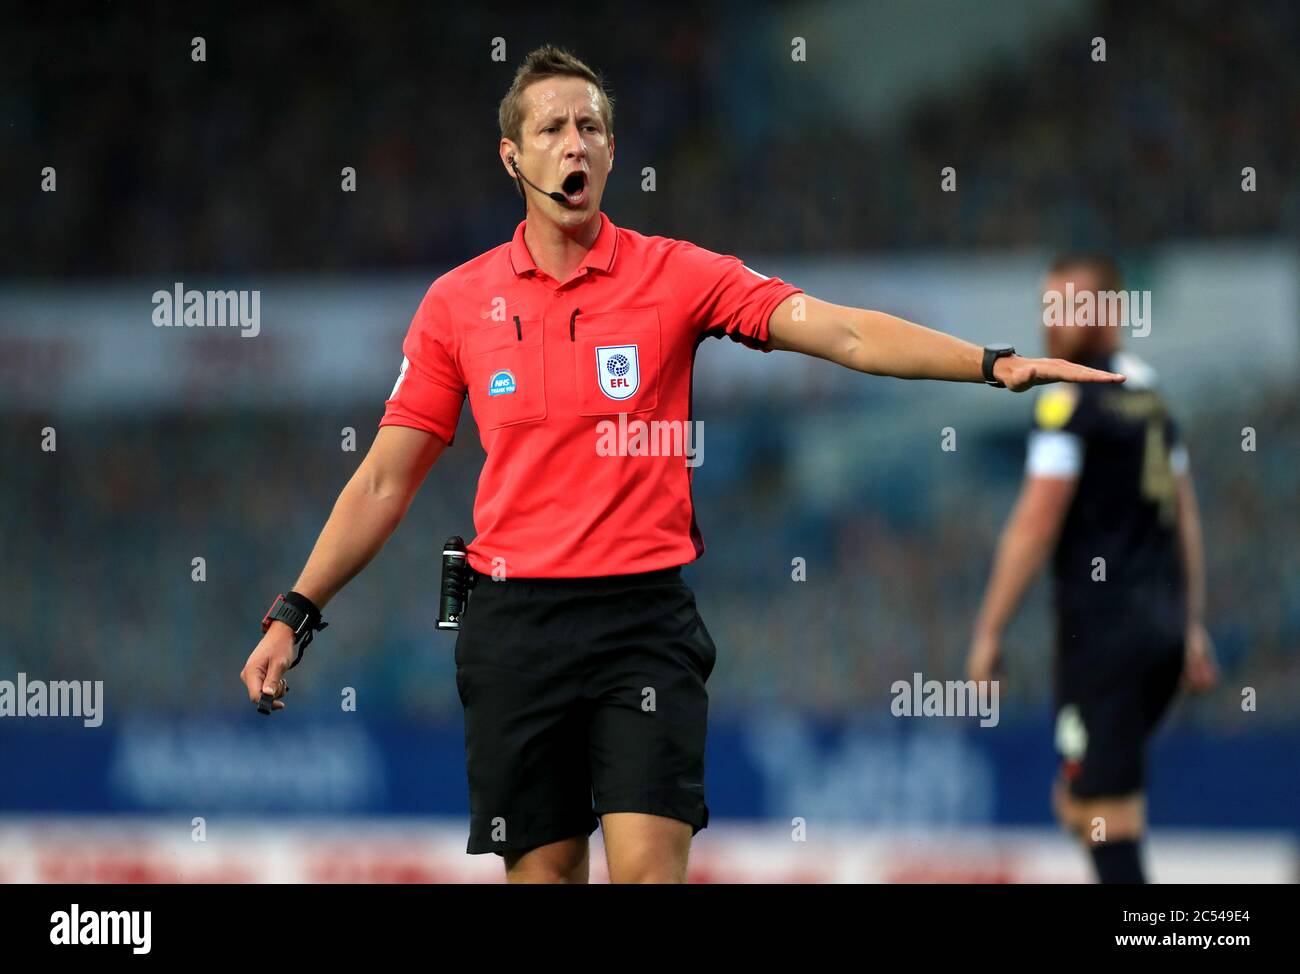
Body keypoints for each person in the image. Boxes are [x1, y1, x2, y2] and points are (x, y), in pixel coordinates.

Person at [241, 46, 1122, 884]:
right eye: (551, 129)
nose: (574, 142)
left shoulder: (675, 277)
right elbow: (386, 480)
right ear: (512, 158)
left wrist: (991, 362)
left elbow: (841, 330)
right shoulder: (459, 304)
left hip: (642, 623)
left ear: (614, 151)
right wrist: (296, 612)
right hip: (513, 628)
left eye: (590, 126)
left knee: (650, 870)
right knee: (543, 871)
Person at [967, 254, 1218, 884]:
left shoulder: (1068, 400)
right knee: (1083, 805)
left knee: (1104, 816)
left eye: (1068, 306)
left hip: (1106, 642)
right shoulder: (1151, 395)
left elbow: (1036, 520)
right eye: (1047, 306)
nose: (1053, 321)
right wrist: (1189, 625)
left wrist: (989, 631)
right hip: (1156, 636)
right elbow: (1184, 515)